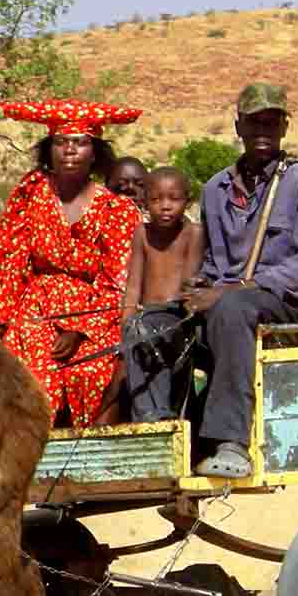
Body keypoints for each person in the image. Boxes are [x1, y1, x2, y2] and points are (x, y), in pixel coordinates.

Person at [181, 83, 298, 478]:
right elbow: (215, 263)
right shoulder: (216, 189)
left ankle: (231, 444)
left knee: (232, 308)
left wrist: (230, 291)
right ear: (238, 127)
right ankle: (169, 435)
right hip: (229, 306)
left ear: (284, 127)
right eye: (254, 122)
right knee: (153, 322)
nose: (263, 130)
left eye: (271, 121)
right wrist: (200, 286)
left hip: (289, 309)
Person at [0, 98, 143, 427]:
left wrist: (79, 329)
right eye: (61, 142)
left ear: (95, 152)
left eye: (81, 143)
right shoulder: (31, 194)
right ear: (48, 150)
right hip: (36, 306)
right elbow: (13, 260)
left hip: (95, 314)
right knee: (30, 367)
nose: (70, 150)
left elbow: (118, 280)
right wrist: (5, 311)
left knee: (92, 369)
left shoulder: (116, 209)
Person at [121, 167, 205, 421]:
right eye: (156, 200)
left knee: (149, 332)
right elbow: (134, 284)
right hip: (144, 320)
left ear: (187, 202)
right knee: (135, 333)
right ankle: (151, 415)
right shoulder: (142, 234)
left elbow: (189, 285)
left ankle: (153, 414)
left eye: (174, 199)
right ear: (145, 203)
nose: (165, 206)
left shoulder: (194, 233)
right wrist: (126, 321)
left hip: (177, 316)